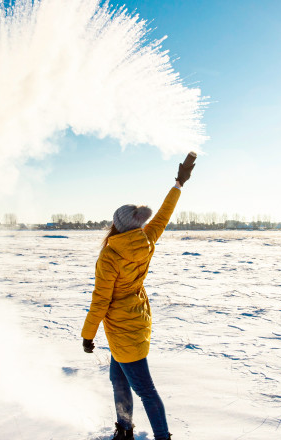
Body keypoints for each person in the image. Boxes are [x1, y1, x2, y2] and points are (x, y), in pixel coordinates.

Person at [81, 157, 195, 440]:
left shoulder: (110, 255)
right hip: (137, 319)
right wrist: (179, 184)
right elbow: (164, 215)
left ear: (116, 225)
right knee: (117, 378)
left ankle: (162, 437)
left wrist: (87, 334)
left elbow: (100, 300)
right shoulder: (147, 239)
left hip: (123, 328)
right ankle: (125, 429)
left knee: (145, 390)